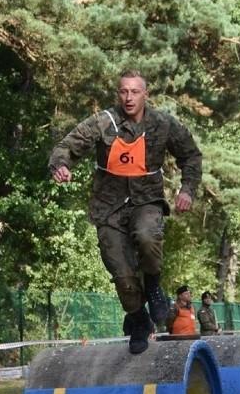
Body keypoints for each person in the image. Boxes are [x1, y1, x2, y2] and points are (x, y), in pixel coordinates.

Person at [48, 70, 202, 354]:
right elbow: (65, 147)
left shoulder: (163, 124)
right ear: (118, 94)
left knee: (147, 235)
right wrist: (60, 165)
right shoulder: (103, 123)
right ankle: (139, 319)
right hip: (108, 208)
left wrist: (187, 189)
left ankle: (154, 284)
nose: (129, 97)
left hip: (146, 201)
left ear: (146, 95)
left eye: (135, 92)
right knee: (122, 274)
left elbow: (191, 155)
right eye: (123, 92)